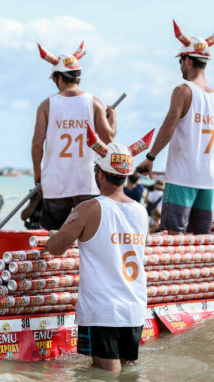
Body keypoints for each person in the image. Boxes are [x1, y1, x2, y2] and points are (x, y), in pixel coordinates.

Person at [46, 131, 149, 373]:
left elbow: (56, 248)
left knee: (107, 372)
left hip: (103, 309)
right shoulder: (140, 211)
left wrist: (52, 237)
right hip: (134, 306)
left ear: (100, 173)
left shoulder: (89, 208)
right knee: (128, 368)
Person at [136, 20, 214, 235]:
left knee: (173, 237)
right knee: (199, 241)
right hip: (207, 181)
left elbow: (168, 127)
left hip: (181, 179)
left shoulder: (183, 91)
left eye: (180, 62)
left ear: (187, 59)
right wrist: (210, 171)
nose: (180, 67)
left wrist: (150, 157)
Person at [32, 41, 117, 230]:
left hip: (55, 184)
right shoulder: (95, 103)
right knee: (89, 238)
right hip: (87, 183)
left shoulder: (46, 105)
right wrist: (112, 121)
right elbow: (108, 140)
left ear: (57, 78)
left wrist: (38, 171)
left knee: (53, 238)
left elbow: (37, 144)